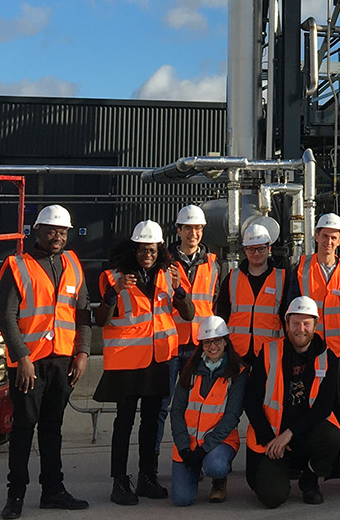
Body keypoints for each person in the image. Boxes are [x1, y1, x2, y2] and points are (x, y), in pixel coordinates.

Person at [0, 204, 91, 518]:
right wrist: (22, 357)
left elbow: (83, 314)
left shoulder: (73, 264)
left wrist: (82, 353)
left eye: (62, 232)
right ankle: (16, 496)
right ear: (36, 231)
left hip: (62, 361)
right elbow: (6, 317)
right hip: (29, 364)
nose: (57, 237)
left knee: (53, 428)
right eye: (51, 230)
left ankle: (53, 490)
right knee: (24, 429)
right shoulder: (17, 265)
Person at [96, 219, 194, 503]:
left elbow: (188, 314)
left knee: (151, 423)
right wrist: (114, 292)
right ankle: (119, 481)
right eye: (141, 250)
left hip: (158, 359)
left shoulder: (170, 274)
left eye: (151, 250)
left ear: (160, 249)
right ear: (133, 249)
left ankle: (146, 477)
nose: (147, 255)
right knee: (124, 423)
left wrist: (179, 290)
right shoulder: (114, 276)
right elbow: (102, 319)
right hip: (126, 362)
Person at [243, 296, 340, 508]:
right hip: (271, 437)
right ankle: (281, 471)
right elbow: (251, 400)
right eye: (295, 323)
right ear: (287, 324)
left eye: (307, 323)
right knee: (271, 498)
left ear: (315, 325)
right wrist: (270, 439)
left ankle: (309, 479)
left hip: (303, 434)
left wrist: (290, 434)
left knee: (332, 435)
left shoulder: (328, 358)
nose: (301, 329)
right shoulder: (269, 352)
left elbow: (324, 406)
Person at [170, 315, 246, 506]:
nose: (212, 347)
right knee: (181, 500)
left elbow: (231, 417)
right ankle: (195, 469)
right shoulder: (190, 369)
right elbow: (177, 411)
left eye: (217, 341)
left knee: (215, 466)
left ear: (226, 341)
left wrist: (204, 450)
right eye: (206, 342)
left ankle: (218, 479)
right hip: (189, 444)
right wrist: (184, 447)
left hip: (219, 442)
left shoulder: (238, 372)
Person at [160, 204, 219, 440]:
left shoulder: (213, 264)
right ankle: (154, 465)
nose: (193, 234)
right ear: (178, 230)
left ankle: (195, 453)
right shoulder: (164, 262)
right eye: (188, 229)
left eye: (198, 229)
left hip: (199, 347)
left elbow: (215, 306)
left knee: (198, 405)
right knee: (162, 408)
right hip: (170, 344)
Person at [281, 213, 340, 357]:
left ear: (339, 240)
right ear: (316, 236)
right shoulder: (301, 269)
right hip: (307, 349)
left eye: (333, 238)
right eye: (325, 236)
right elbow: (290, 310)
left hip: (338, 349)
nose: (328, 241)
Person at [215, 223, 285, 361]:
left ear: (269, 248)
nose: (256, 253)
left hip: (271, 351)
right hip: (237, 352)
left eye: (261, 248)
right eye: (251, 249)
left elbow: (286, 317)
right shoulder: (232, 278)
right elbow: (222, 314)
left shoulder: (282, 279)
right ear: (245, 250)